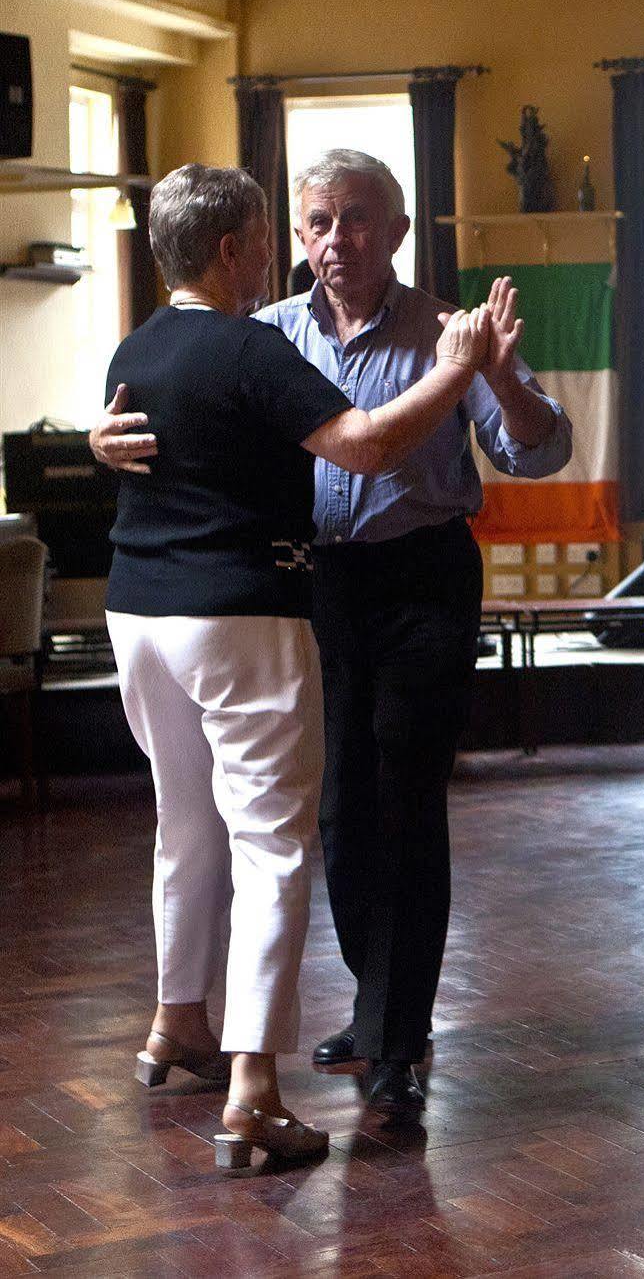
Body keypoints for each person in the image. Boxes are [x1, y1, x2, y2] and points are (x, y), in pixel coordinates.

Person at [94, 148, 573, 1113]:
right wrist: (98, 442)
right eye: (316, 222)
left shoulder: (450, 330)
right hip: (309, 586)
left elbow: (539, 448)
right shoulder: (261, 332)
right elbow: (172, 407)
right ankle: (375, 1000)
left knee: (402, 792)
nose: (333, 239)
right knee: (338, 809)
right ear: (292, 239)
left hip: (421, 580)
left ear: (395, 231)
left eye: (356, 219)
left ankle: (397, 1031)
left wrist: (501, 377)